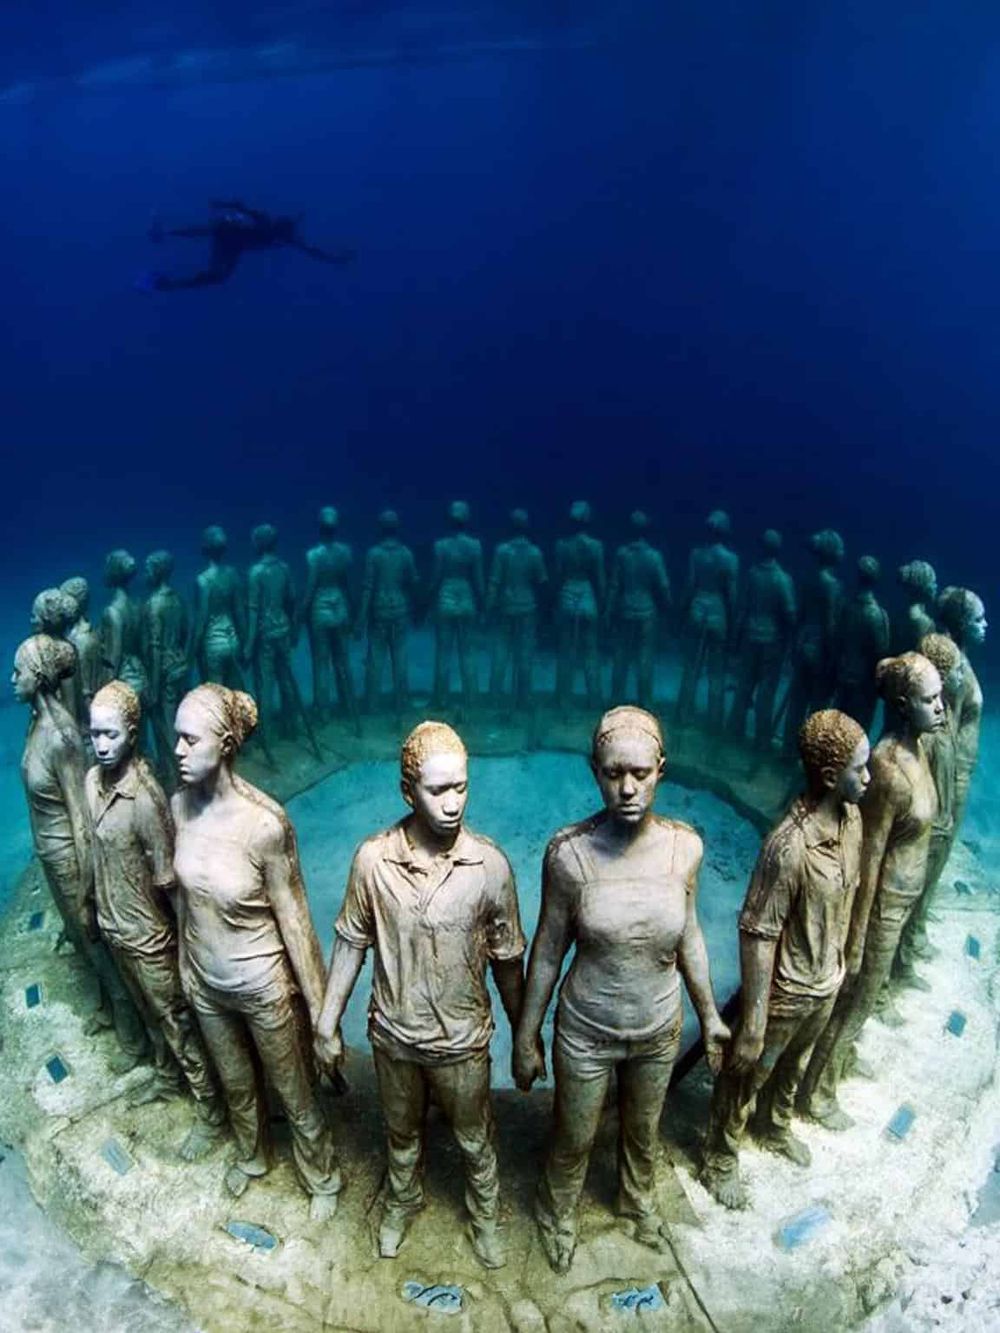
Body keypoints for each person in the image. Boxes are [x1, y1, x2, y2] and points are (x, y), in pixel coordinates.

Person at [514, 706, 730, 1273]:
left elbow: (691, 937)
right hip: (587, 1028)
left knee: (643, 1130)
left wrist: (709, 1016)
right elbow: (547, 950)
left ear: (662, 769)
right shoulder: (569, 855)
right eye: (614, 774)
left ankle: (636, 1202)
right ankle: (556, 1208)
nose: (628, 788)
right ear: (594, 771)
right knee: (575, 1133)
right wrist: (526, 1034)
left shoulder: (685, 849)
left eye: (640, 773)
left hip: (659, 1026)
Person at [314, 721, 525, 1269]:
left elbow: (507, 961)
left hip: (461, 1041)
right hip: (395, 1036)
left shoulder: (490, 866)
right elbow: (350, 941)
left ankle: (483, 1214)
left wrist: (525, 1034)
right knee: (400, 1132)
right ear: (409, 792)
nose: (452, 803)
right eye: (437, 791)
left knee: (476, 1140)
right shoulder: (373, 861)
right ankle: (402, 1200)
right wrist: (326, 1022)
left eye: (461, 787)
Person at [172, 684, 341, 1214]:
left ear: (224, 745)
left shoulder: (263, 825)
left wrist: (321, 1016)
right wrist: (185, 967)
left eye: (188, 739)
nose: (176, 749)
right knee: (237, 1084)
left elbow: (295, 922)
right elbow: (185, 900)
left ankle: (323, 1178)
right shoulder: (178, 807)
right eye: (176, 737)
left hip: (262, 986)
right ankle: (252, 1156)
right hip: (205, 980)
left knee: (293, 1091)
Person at [700, 710, 869, 1209]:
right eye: (860, 770)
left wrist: (843, 958)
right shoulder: (788, 847)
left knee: (791, 1069)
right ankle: (720, 1153)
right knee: (748, 1072)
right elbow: (758, 932)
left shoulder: (853, 820)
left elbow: (852, 891)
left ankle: (773, 1126)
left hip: (825, 979)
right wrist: (752, 1020)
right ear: (829, 777)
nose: (869, 777)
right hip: (788, 990)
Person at [798, 653, 943, 1130]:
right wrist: (856, 937)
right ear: (903, 705)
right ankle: (815, 1092)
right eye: (929, 699)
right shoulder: (887, 769)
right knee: (855, 997)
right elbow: (871, 857)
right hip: (880, 908)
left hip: (901, 902)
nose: (941, 707)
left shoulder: (920, 751)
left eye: (940, 697)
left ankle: (834, 1064)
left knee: (864, 1000)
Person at [86, 681, 224, 1157]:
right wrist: (92, 908)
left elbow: (169, 882)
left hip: (150, 937)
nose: (102, 746)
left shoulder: (145, 799)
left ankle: (211, 1111)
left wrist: (185, 949)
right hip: (113, 927)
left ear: (133, 734)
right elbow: (95, 854)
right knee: (149, 1015)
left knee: (177, 1023)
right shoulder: (90, 783)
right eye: (95, 735)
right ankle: (168, 1077)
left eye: (111, 735)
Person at [13, 634, 147, 1069]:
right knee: (82, 941)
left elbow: (80, 819)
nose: (12, 679)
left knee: (96, 942)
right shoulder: (37, 722)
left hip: (70, 858)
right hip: (52, 857)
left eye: (18, 672)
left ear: (37, 677)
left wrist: (89, 888)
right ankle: (108, 1009)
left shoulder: (61, 737)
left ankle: (133, 1038)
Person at [140, 200, 354, 291]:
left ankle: (166, 278)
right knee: (212, 243)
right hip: (231, 240)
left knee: (216, 266)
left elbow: (241, 207)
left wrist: (333, 258)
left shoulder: (279, 232)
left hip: (231, 243)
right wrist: (333, 258)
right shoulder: (272, 228)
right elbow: (310, 250)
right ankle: (167, 276)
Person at [726, 530, 796, 748]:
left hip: (749, 636)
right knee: (766, 693)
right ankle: (761, 740)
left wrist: (736, 640)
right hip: (771, 642)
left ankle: (734, 732)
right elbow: (789, 613)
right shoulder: (782, 579)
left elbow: (743, 609)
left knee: (744, 687)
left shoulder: (752, 574)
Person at [676, 510, 739, 732]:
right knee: (716, 672)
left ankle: (683, 713)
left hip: (697, 610)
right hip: (718, 615)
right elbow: (731, 596)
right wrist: (733, 625)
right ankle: (714, 721)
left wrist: (681, 615)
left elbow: (689, 586)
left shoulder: (696, 555)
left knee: (691, 668)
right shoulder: (731, 559)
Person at [782, 529, 845, 750]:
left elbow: (799, 616)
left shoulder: (808, 579)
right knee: (817, 703)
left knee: (796, 701)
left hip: (802, 642)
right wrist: (832, 656)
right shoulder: (832, 585)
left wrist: (793, 645)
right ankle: (807, 749)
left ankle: (788, 746)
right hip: (818, 648)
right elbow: (830, 623)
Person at [300, 506, 358, 730]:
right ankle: (348, 705)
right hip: (340, 607)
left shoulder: (313, 555)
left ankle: (323, 711)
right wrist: (352, 613)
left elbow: (311, 587)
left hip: (320, 610)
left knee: (321, 662)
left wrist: (300, 615)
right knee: (343, 661)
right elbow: (347, 584)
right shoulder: (345, 552)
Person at [606, 510, 671, 710]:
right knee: (644, 657)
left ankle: (616, 699)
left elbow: (615, 585)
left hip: (626, 608)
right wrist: (668, 607)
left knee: (621, 656)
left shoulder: (622, 554)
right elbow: (662, 586)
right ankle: (645, 702)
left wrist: (609, 610)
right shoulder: (654, 556)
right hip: (646, 612)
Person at [936, 586, 987, 837]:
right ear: (961, 623)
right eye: (978, 620)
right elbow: (947, 722)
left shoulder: (960, 663)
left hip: (959, 768)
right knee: (944, 835)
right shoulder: (956, 672)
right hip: (954, 770)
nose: (985, 625)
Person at [356, 509, 419, 715]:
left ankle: (372, 705)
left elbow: (367, 588)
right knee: (399, 657)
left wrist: (361, 619)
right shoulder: (405, 553)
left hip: (379, 611)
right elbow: (413, 583)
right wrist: (418, 609)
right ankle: (402, 703)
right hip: (400, 609)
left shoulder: (374, 554)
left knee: (375, 659)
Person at [486, 508, 548, 709]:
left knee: (501, 653)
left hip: (506, 605)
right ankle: (523, 698)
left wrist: (488, 607)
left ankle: (495, 698)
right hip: (527, 606)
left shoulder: (502, 551)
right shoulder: (534, 552)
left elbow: (495, 582)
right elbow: (541, 581)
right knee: (524, 654)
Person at [428, 502, 485, 711]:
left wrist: (427, 600)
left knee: (444, 652)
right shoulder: (475, 546)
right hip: (466, 595)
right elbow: (478, 581)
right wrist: (482, 605)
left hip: (446, 595)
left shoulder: (441, 546)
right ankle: (472, 699)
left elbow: (435, 578)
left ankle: (441, 699)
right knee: (467, 652)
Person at [553, 501, 606, 711]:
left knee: (566, 650)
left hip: (568, 594)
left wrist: (554, 602)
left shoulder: (562, 545)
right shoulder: (595, 546)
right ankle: (594, 700)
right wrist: (603, 605)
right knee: (590, 651)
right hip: (587, 596)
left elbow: (558, 576)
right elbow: (600, 579)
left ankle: (564, 699)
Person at [142, 550, 190, 777]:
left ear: (158, 572)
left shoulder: (153, 605)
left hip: (164, 672)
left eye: (149, 569)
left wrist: (152, 685)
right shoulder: (177, 599)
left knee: (168, 728)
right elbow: (184, 632)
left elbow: (155, 649)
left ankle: (181, 778)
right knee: (184, 726)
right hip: (180, 666)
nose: (146, 573)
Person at [832, 556, 891, 736]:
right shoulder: (877, 615)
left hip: (843, 675)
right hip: (863, 684)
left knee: (837, 727)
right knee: (856, 732)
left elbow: (837, 640)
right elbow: (881, 651)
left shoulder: (846, 607)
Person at [191, 525, 247, 690]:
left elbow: (201, 621)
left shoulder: (202, 580)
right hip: (232, 640)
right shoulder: (232, 575)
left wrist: (192, 653)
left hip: (212, 644)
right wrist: (245, 644)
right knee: (236, 692)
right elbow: (240, 613)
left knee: (216, 696)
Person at [61, 576, 103, 729]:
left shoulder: (81, 641)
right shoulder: (74, 636)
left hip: (84, 720)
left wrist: (94, 726)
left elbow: (86, 690)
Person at [896, 561, 938, 651]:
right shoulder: (923, 622)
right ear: (921, 587)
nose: (936, 586)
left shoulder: (904, 614)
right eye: (932, 582)